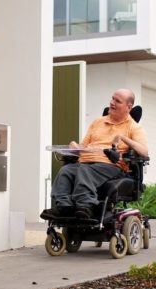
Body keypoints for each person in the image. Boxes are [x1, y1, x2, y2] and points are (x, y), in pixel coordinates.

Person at [43, 88, 148, 219]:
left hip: (111, 165)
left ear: (128, 107)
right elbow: (84, 146)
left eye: (117, 101)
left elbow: (144, 151)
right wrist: (74, 146)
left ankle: (86, 206)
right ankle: (64, 207)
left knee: (84, 171)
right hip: (86, 161)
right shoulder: (97, 122)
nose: (112, 103)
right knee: (66, 171)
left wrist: (123, 138)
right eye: (112, 98)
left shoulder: (134, 127)